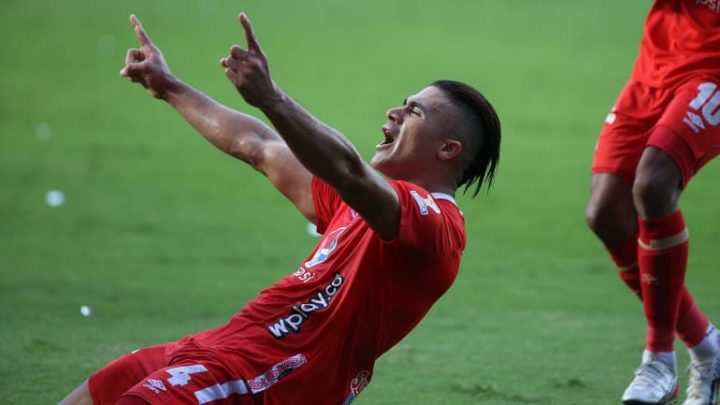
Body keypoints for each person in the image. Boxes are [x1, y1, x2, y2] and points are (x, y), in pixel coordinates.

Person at [60, 12, 501, 405]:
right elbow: (260, 147)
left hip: (271, 378)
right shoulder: (360, 206)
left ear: (448, 149)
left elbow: (348, 169)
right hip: (227, 349)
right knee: (96, 392)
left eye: (414, 112)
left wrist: (272, 98)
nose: (394, 112)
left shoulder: (436, 229)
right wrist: (169, 86)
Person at [585, 1, 720, 404]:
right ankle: (708, 349)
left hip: (714, 69)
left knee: (654, 183)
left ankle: (658, 360)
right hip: (660, 60)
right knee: (607, 211)